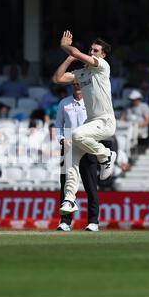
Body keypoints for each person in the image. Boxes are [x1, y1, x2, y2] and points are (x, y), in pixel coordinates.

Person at [52, 31, 116, 216]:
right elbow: (58, 79)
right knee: (71, 158)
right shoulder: (82, 74)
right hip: (91, 122)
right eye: (91, 49)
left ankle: (106, 155)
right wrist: (69, 58)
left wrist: (67, 48)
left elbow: (80, 54)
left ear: (103, 54)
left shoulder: (102, 66)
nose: (92, 52)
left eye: (96, 50)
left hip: (105, 120)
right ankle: (70, 199)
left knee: (76, 135)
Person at [54, 83, 101, 231]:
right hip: (68, 148)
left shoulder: (92, 102)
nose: (77, 86)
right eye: (75, 84)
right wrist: (62, 140)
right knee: (66, 186)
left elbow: (98, 125)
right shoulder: (64, 102)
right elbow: (58, 125)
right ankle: (65, 222)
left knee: (91, 186)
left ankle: (93, 222)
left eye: (80, 84)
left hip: (87, 148)